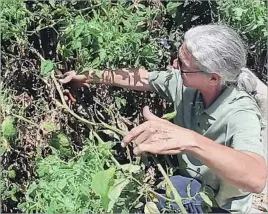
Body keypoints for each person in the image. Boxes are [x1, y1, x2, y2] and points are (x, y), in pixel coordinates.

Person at [59, 24, 267, 213]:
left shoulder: (240, 112)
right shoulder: (185, 84)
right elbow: (142, 78)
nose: (175, 65)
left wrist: (190, 140)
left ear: (213, 77)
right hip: (190, 185)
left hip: (220, 206)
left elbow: (256, 178)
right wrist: (88, 75)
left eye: (184, 65)